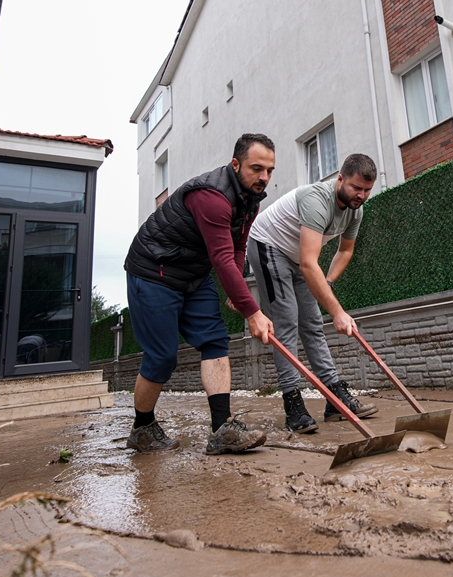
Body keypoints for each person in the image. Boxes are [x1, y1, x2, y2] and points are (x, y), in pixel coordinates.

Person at [123, 133, 277, 454]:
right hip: (154, 270)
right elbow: (220, 257)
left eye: (270, 170)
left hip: (194, 274)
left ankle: (222, 429)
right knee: (163, 357)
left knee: (215, 341)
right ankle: (143, 427)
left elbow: (236, 246)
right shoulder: (211, 196)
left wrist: (236, 291)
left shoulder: (251, 198)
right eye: (256, 168)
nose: (264, 177)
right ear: (236, 164)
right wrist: (252, 311)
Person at [248, 153, 379, 433]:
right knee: (286, 322)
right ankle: (293, 403)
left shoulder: (356, 210)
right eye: (357, 188)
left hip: (298, 257)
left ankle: (334, 397)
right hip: (268, 245)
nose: (362, 195)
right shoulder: (316, 200)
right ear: (340, 178)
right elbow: (309, 263)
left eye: (367, 190)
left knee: (313, 324)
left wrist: (327, 286)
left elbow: (345, 250)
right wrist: (337, 311)